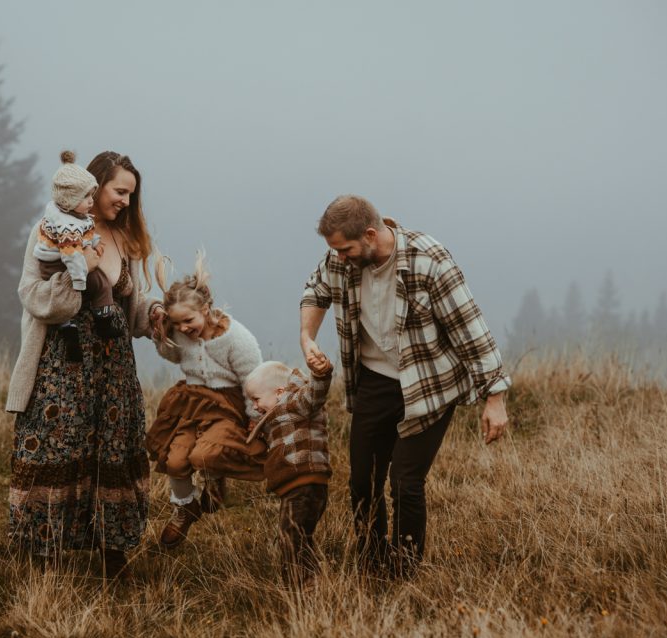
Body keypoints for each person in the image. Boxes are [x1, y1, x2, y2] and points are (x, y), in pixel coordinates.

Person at [299, 195, 511, 576]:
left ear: (369, 234)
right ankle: (372, 566)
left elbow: (470, 328)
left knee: (405, 481)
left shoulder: (428, 260)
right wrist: (307, 338)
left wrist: (494, 396)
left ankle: (405, 572)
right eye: (336, 252)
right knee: (364, 481)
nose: (340, 258)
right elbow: (316, 290)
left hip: (429, 385)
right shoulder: (340, 259)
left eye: (346, 250)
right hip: (374, 380)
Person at [6, 151, 162, 580]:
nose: (126, 202)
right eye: (120, 191)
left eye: (132, 194)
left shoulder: (123, 242)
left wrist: (159, 317)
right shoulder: (54, 231)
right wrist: (78, 278)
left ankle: (114, 555)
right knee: (59, 446)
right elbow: (32, 295)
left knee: (114, 449)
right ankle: (47, 555)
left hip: (113, 367)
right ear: (95, 187)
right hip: (64, 361)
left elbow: (130, 309)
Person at [146, 252, 267, 548]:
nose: (184, 329)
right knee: (175, 459)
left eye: (189, 320)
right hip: (191, 400)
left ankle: (214, 479)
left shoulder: (237, 338)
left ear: (206, 309)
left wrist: (255, 417)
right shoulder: (180, 333)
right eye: (178, 324)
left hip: (226, 406)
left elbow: (254, 380)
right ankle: (184, 508)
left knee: (204, 455)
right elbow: (174, 355)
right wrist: (162, 337)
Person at [243, 353, 334, 587]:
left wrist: (321, 373)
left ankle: (298, 587)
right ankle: (312, 581)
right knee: (299, 536)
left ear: (279, 393)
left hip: (304, 482)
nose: (254, 406)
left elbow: (315, 393)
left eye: (256, 399)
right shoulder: (277, 415)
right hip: (297, 486)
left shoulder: (296, 403)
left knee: (290, 537)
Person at [32, 150, 125, 339]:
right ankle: (87, 323)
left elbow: (87, 233)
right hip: (59, 265)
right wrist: (79, 277)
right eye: (85, 197)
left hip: (109, 362)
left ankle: (79, 322)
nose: (91, 200)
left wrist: (95, 243)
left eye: (92, 194)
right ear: (69, 200)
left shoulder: (77, 216)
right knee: (99, 283)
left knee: (100, 283)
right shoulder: (67, 226)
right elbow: (71, 255)